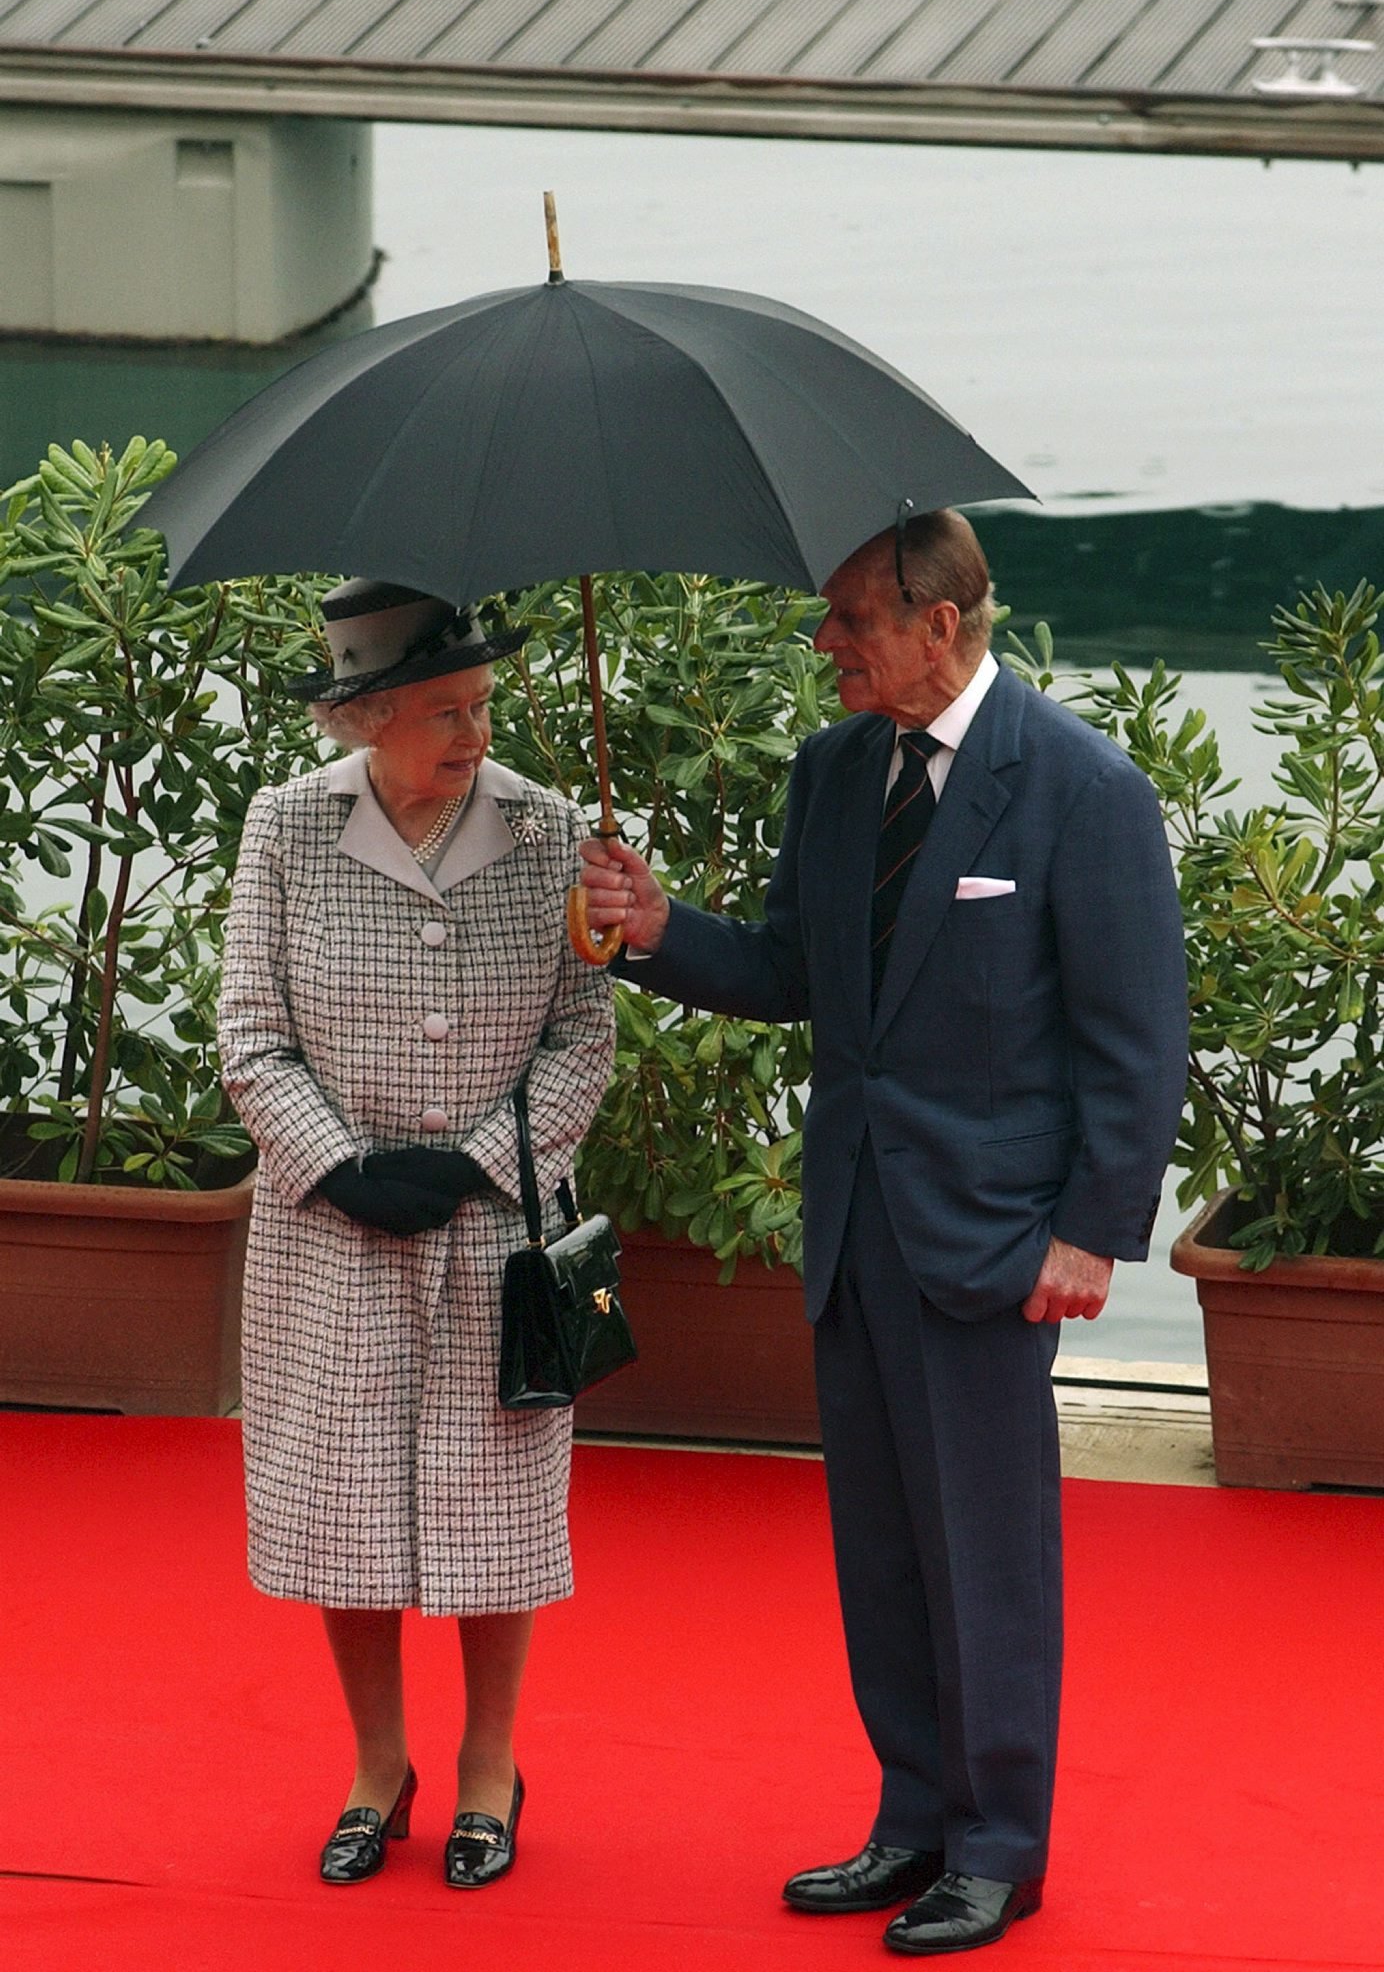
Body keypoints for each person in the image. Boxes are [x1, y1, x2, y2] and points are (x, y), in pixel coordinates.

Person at [579, 509, 1187, 1956]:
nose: (824, 646)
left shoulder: (1082, 788)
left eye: (851, 620)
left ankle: (998, 1844)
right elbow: (798, 971)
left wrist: (1093, 1234)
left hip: (993, 1239)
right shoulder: (834, 773)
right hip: (855, 1226)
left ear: (943, 622)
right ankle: (912, 1819)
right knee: (887, 1555)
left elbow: (1135, 1036)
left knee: (988, 1556)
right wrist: (661, 926)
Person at [218, 579, 614, 1890]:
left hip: (500, 1235)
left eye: (482, 707)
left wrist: (479, 1164)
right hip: (331, 1239)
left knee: (494, 1511)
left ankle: (490, 1765)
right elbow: (250, 1040)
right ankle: (377, 1767)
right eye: (443, 712)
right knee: (343, 1509)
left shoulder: (554, 832)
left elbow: (581, 1045)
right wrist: (340, 1169)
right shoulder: (283, 829)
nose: (472, 735)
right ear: (359, 717)